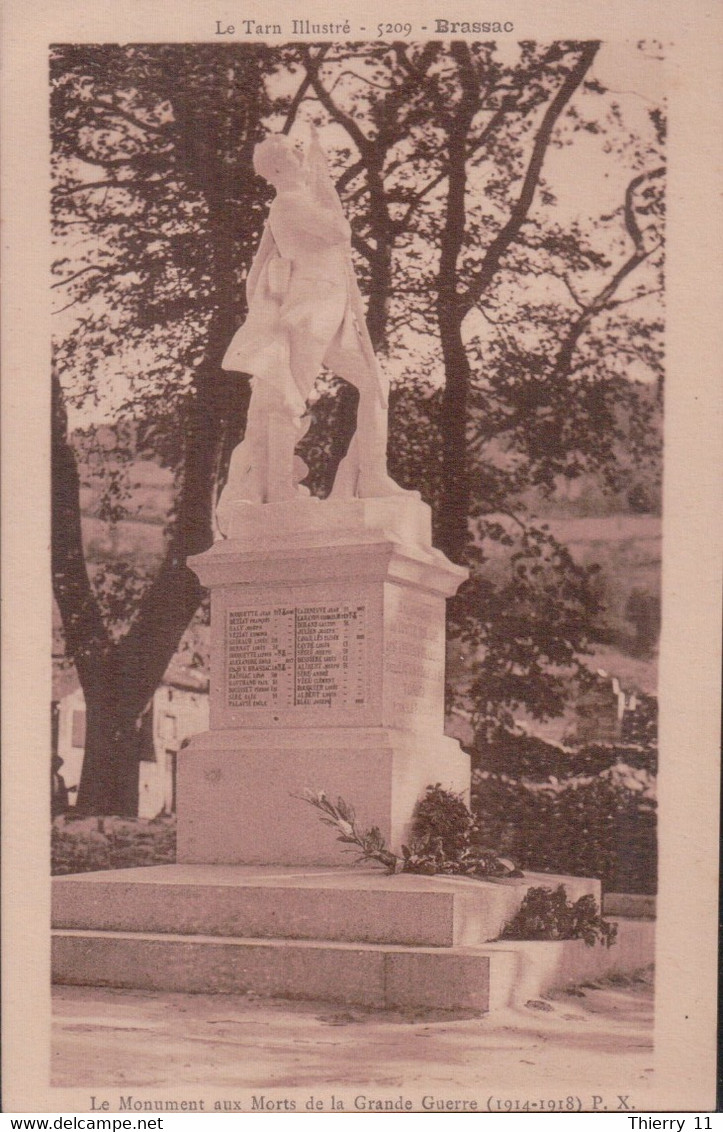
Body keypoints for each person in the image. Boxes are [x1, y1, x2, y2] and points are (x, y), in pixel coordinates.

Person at [217, 131, 409, 528]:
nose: (304, 160)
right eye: (297, 154)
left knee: (376, 384)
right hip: (308, 312)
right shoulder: (289, 204)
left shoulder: (295, 203)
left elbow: (258, 268)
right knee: (288, 400)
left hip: (331, 313)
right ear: (281, 167)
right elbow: (339, 232)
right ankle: (278, 493)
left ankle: (372, 476)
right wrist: (324, 187)